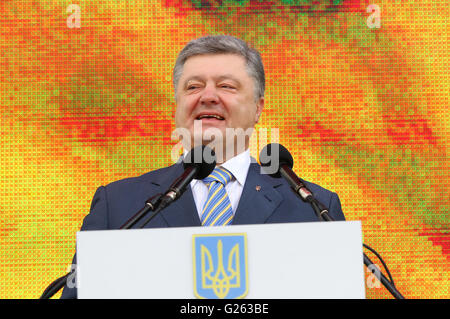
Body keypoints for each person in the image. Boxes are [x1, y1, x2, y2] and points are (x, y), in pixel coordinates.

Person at [61, 35, 345, 298]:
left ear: (258, 107)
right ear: (177, 104)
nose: (208, 96)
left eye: (226, 86)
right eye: (193, 86)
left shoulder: (313, 207)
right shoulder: (119, 205)